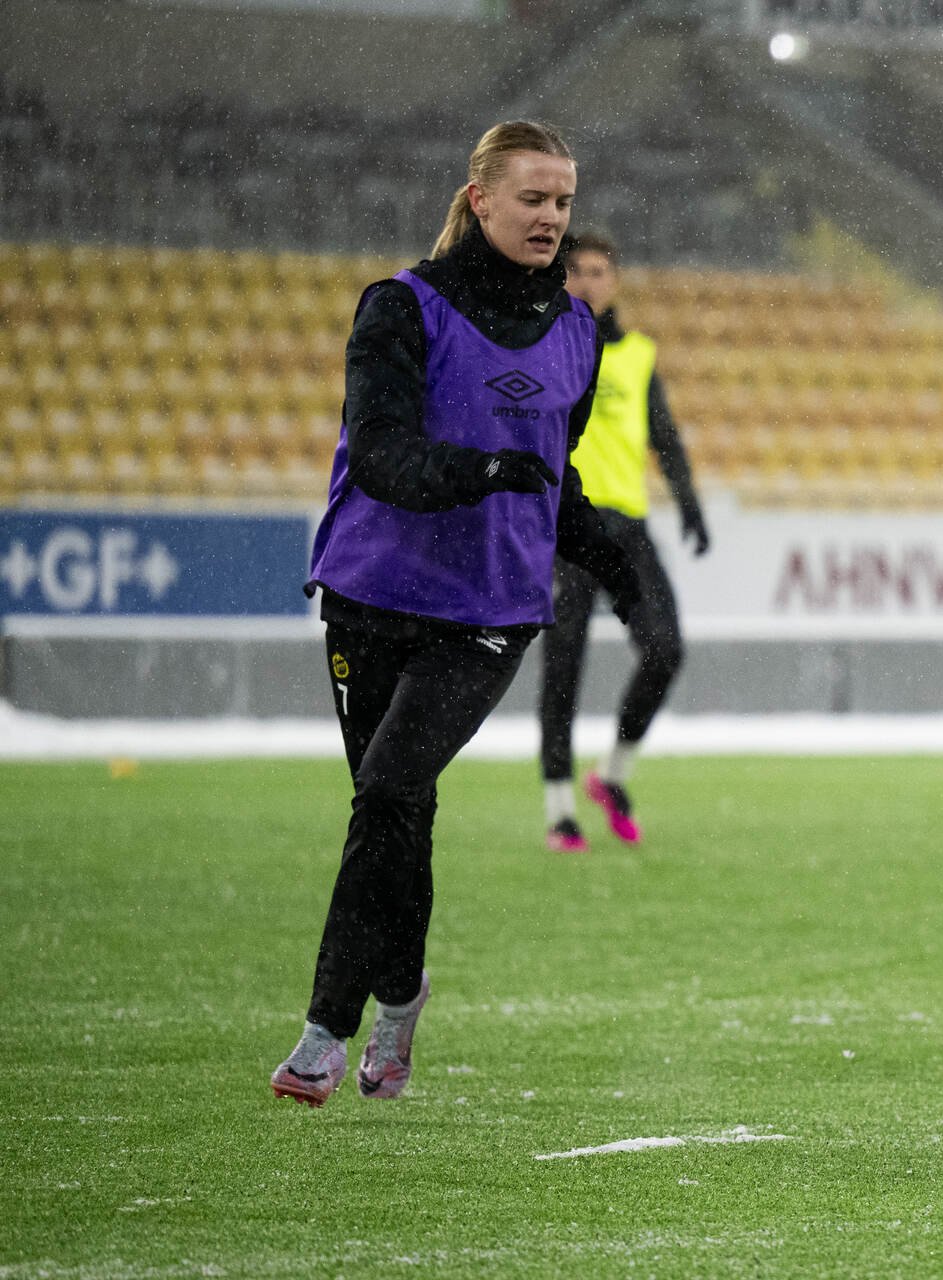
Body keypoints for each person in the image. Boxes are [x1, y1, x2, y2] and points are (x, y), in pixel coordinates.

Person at [271, 121, 645, 1107]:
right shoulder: (400, 307)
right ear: (480, 200)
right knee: (398, 812)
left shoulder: (578, 334)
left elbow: (551, 479)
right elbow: (381, 454)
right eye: (534, 198)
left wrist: (612, 559)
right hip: (371, 594)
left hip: (490, 607)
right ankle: (401, 998)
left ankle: (324, 1030)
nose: (552, 217)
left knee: (389, 790)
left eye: (564, 202)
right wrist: (481, 471)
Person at [538, 231, 710, 853]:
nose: (587, 282)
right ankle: (560, 811)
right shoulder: (545, 346)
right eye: (577, 272)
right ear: (563, 281)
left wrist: (689, 504)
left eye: (598, 271)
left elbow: (663, 434)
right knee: (563, 668)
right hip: (569, 528)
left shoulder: (637, 356)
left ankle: (611, 775)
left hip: (627, 530)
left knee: (665, 650)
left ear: (615, 282)